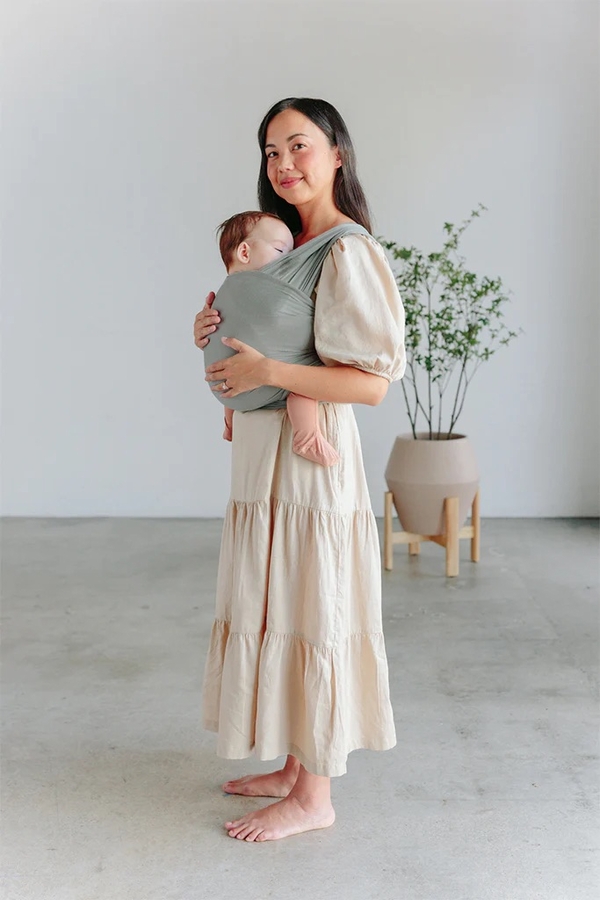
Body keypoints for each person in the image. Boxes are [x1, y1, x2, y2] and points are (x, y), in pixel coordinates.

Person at [195, 97, 406, 843]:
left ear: (337, 153)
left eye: (299, 145)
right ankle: (294, 766)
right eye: (271, 151)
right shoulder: (280, 246)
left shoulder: (348, 251)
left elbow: (371, 385)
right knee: (278, 600)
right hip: (265, 460)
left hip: (311, 467)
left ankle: (315, 797)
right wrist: (213, 328)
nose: (283, 163)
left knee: (313, 605)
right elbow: (266, 334)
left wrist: (267, 371)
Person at [215, 210, 340, 466]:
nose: (289, 261)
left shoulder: (225, 291)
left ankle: (229, 423)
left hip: (227, 391)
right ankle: (307, 437)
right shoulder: (261, 289)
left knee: (231, 363)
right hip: (257, 382)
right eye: (281, 251)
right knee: (306, 379)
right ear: (245, 252)